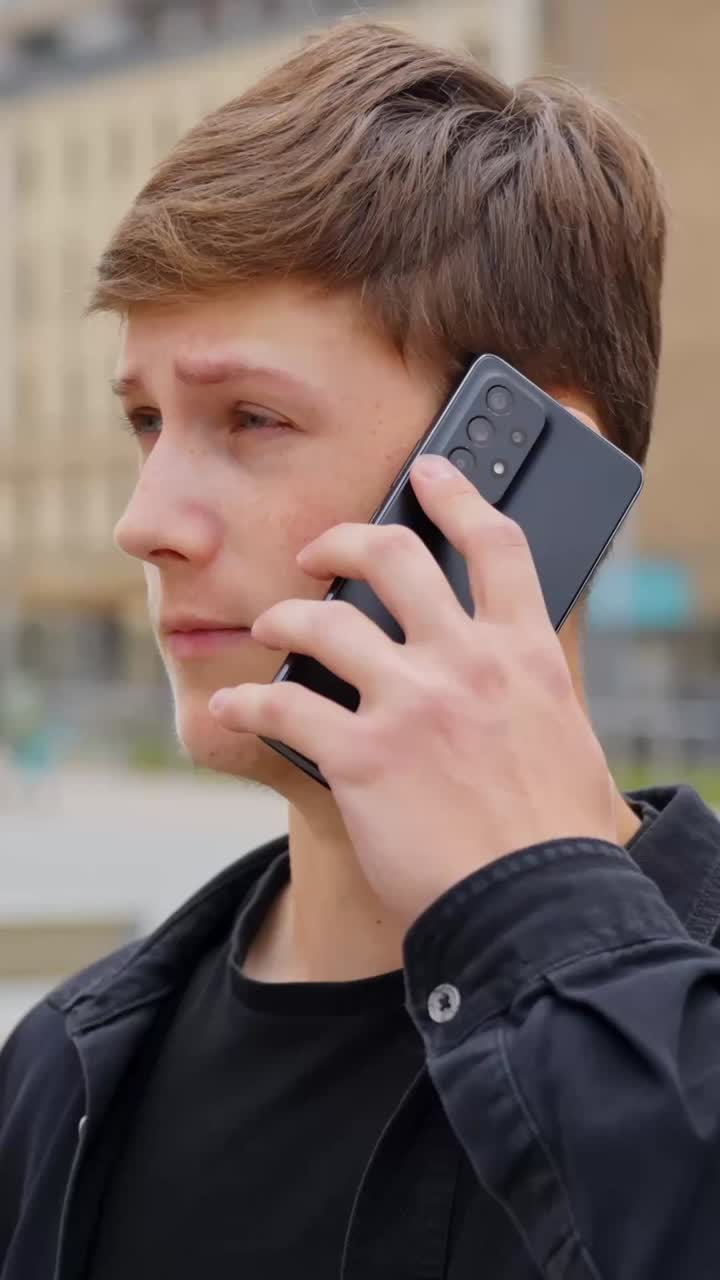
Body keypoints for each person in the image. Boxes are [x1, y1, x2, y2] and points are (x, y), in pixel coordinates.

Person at [2, 19, 720, 1279]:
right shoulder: (64, 1075)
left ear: (511, 474)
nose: (145, 522)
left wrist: (538, 911)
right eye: (145, 422)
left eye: (251, 418)